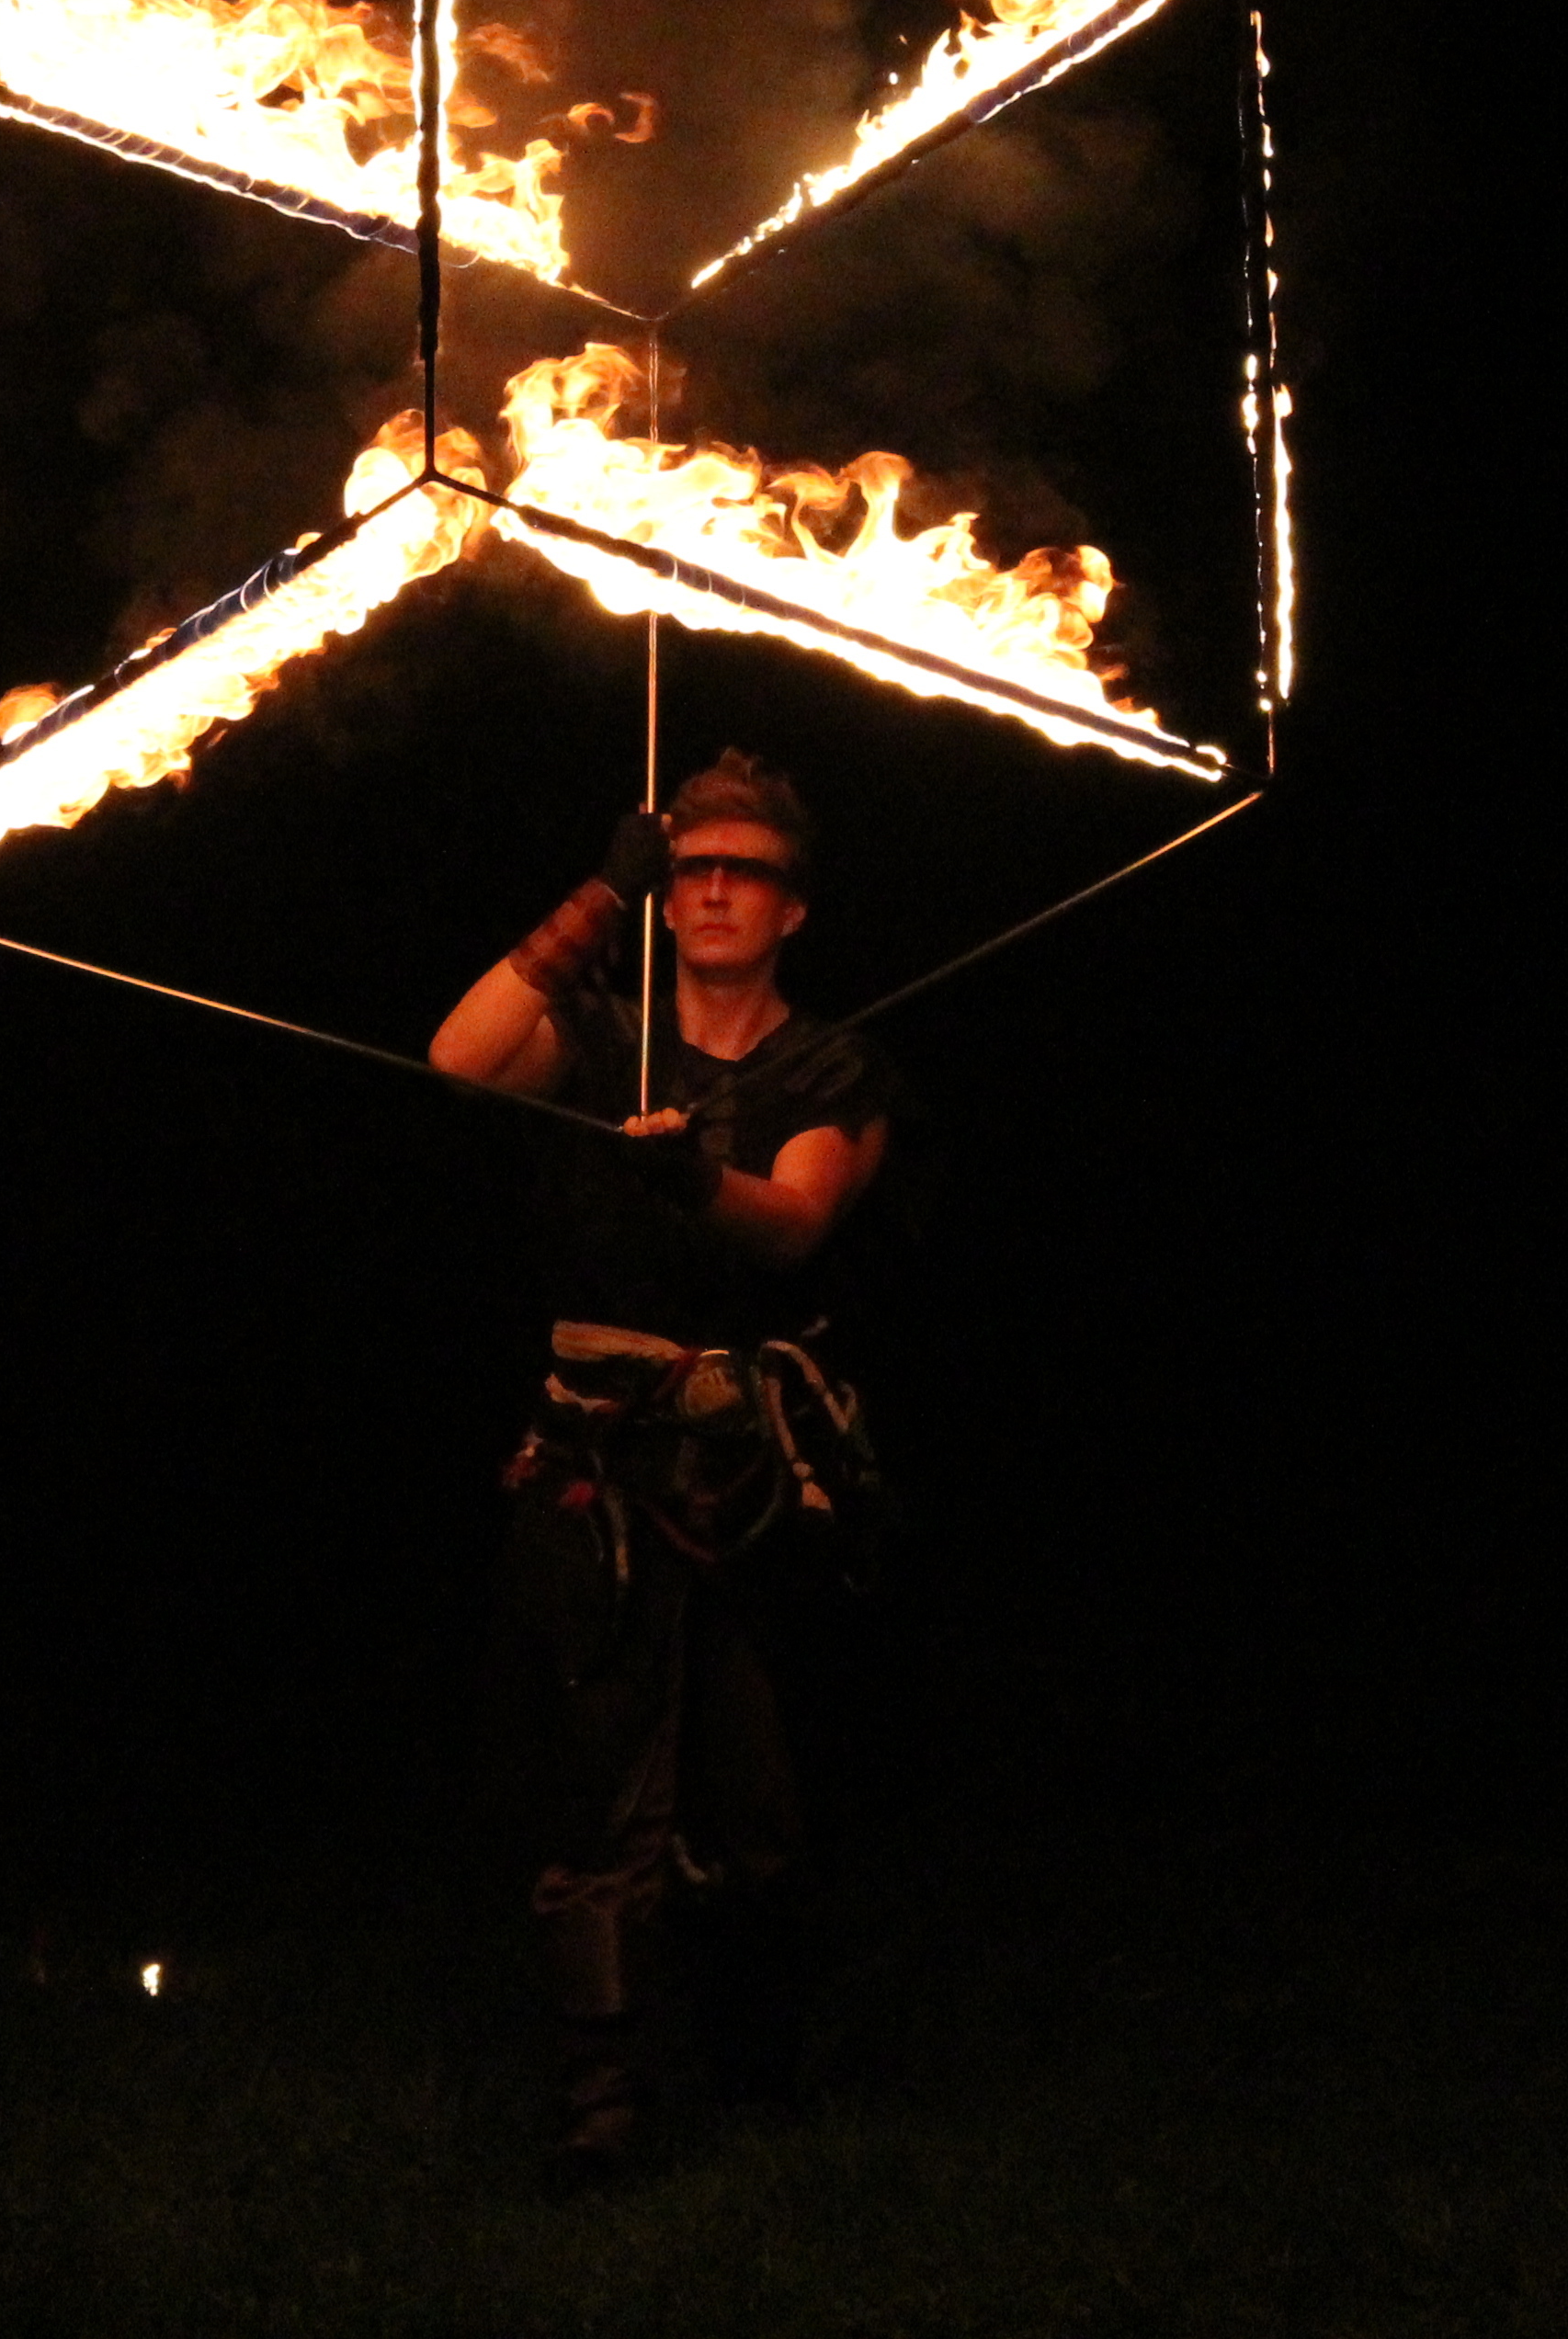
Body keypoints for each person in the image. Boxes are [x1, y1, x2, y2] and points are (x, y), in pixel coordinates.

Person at [430, 749, 898, 2170]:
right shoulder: (603, 1035)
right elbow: (460, 1059)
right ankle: (603, 2096)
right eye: (689, 870)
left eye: (744, 871)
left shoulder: (833, 1066)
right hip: (592, 1461)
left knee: (763, 1796)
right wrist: (597, 893)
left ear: (793, 907)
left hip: (757, 1472)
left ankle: (759, 2067)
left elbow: (796, 1222)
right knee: (596, 1780)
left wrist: (692, 1177)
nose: (712, 891)